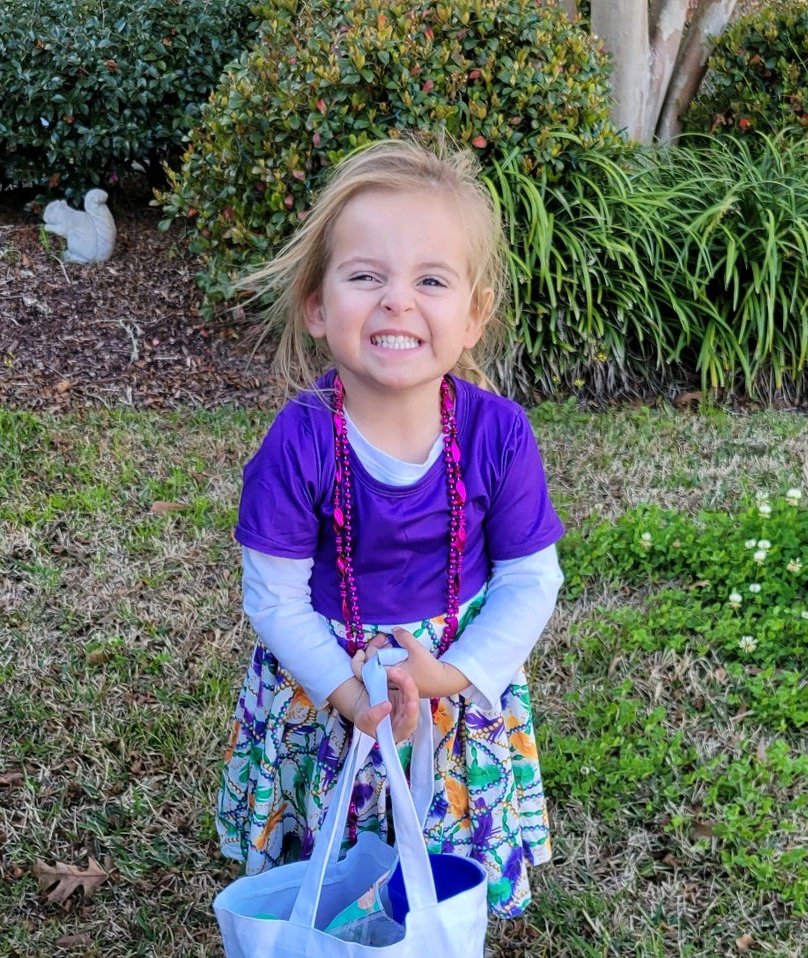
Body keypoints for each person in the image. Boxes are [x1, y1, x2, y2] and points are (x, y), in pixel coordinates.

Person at [215, 137, 565, 917]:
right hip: (329, 681)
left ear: (474, 316)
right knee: (333, 864)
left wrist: (451, 676)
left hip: (449, 676)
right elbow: (273, 598)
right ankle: (336, 923)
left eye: (430, 280)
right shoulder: (297, 440)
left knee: (438, 861)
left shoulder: (499, 434)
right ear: (317, 304)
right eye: (365, 276)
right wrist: (348, 695)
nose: (396, 300)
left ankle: (438, 930)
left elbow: (530, 579)